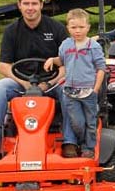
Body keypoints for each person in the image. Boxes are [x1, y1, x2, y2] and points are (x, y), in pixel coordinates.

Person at [0, 0, 67, 161]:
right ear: (19, 5)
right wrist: (24, 83)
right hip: (21, 82)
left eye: (34, 3)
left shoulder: (56, 29)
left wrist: (48, 83)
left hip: (52, 81)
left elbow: (66, 64)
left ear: (41, 5)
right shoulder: (12, 31)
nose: (30, 8)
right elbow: (4, 66)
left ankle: (71, 141)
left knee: (68, 90)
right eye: (26, 3)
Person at [44, 9, 106, 158]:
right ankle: (78, 141)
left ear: (88, 27)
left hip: (88, 91)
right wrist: (52, 60)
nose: (77, 31)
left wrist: (95, 90)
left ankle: (88, 148)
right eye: (73, 28)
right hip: (70, 91)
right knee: (77, 122)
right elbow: (62, 61)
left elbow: (101, 68)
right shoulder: (66, 45)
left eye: (81, 27)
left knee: (90, 122)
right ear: (68, 28)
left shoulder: (93, 46)